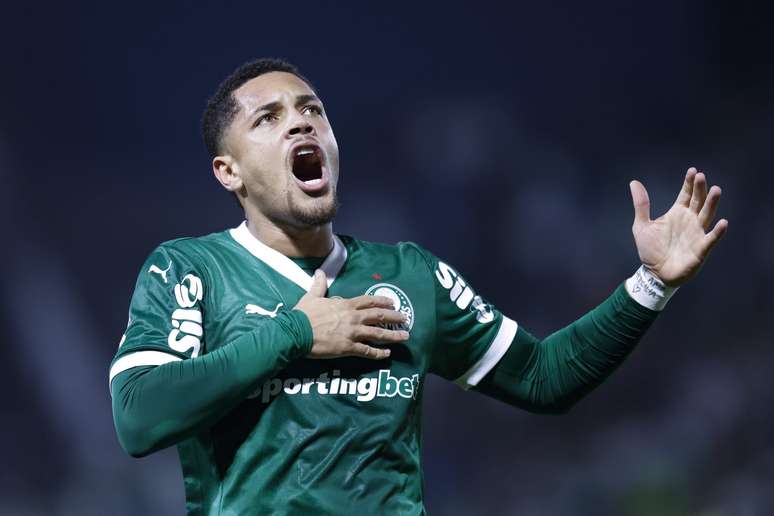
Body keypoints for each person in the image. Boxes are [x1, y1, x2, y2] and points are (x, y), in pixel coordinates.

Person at [109, 58, 728, 515]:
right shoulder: (190, 270)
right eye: (268, 119)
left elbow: (545, 377)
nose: (301, 125)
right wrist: (296, 333)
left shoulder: (410, 275)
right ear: (229, 171)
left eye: (312, 111)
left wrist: (651, 284)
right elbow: (139, 417)